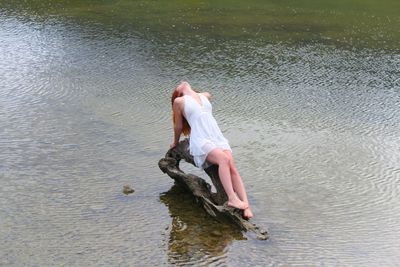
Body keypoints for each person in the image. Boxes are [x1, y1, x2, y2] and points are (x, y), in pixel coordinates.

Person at [170, 81, 253, 219]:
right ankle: (232, 198)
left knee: (232, 167)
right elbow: (178, 126)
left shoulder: (204, 96)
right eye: (177, 86)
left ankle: (246, 206)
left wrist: (196, 94)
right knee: (223, 159)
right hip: (200, 139)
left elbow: (208, 95)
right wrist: (175, 142)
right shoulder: (179, 101)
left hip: (216, 136)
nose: (181, 82)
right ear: (177, 93)